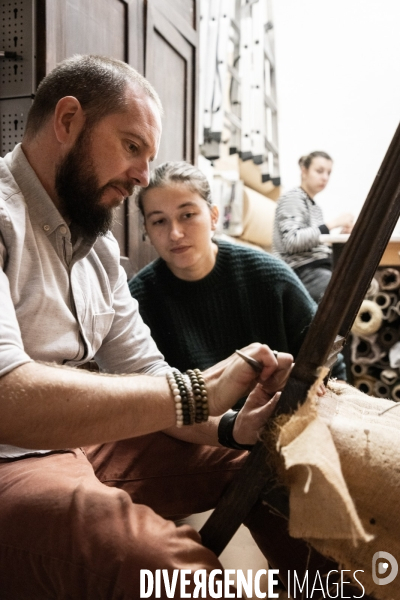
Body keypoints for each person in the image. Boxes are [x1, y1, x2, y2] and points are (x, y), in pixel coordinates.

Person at [0, 55, 368, 599]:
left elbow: (147, 371)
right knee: (172, 572)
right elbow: (8, 396)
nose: (143, 176)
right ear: (68, 120)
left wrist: (231, 426)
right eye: (131, 146)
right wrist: (198, 392)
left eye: (148, 157)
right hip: (11, 457)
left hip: (80, 444)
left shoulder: (98, 247)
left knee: (281, 467)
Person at [128, 160, 346, 381]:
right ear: (146, 229)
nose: (175, 233)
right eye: (159, 221)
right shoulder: (136, 300)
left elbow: (329, 363)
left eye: (187, 215)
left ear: (213, 217)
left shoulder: (270, 278)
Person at [272, 151, 354, 303]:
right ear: (304, 171)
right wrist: (333, 224)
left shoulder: (314, 206)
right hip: (301, 271)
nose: (325, 177)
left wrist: (340, 234)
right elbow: (292, 241)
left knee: (363, 282)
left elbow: (314, 239)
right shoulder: (293, 198)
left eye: (329, 173)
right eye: (319, 171)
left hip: (316, 269)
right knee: (346, 290)